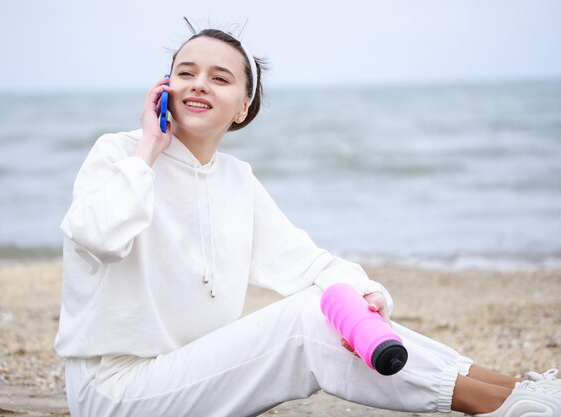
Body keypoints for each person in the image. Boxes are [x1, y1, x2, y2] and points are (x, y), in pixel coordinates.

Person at [54, 25, 561, 417]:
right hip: (115, 392)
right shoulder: (120, 154)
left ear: (242, 107)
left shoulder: (235, 179)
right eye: (185, 72)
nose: (198, 84)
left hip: (191, 377)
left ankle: (520, 392)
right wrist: (148, 147)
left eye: (219, 77)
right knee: (306, 324)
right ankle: (501, 406)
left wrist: (369, 298)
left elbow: (308, 263)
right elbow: (98, 236)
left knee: (335, 308)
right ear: (164, 87)